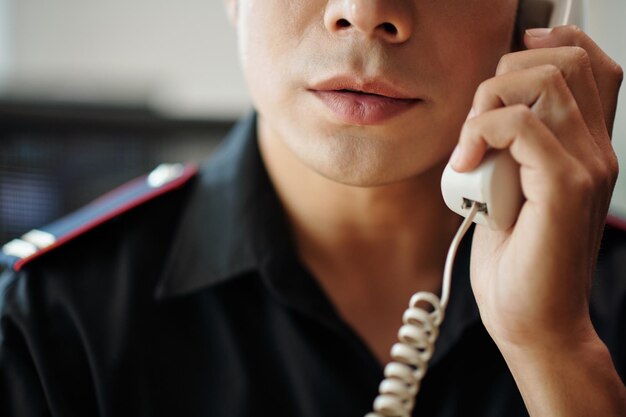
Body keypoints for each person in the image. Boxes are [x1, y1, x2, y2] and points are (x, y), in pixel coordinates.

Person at [1, 1, 625, 416]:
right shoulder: (46, 322)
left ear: (538, 8)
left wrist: (557, 355)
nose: (366, 10)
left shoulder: (607, 311)